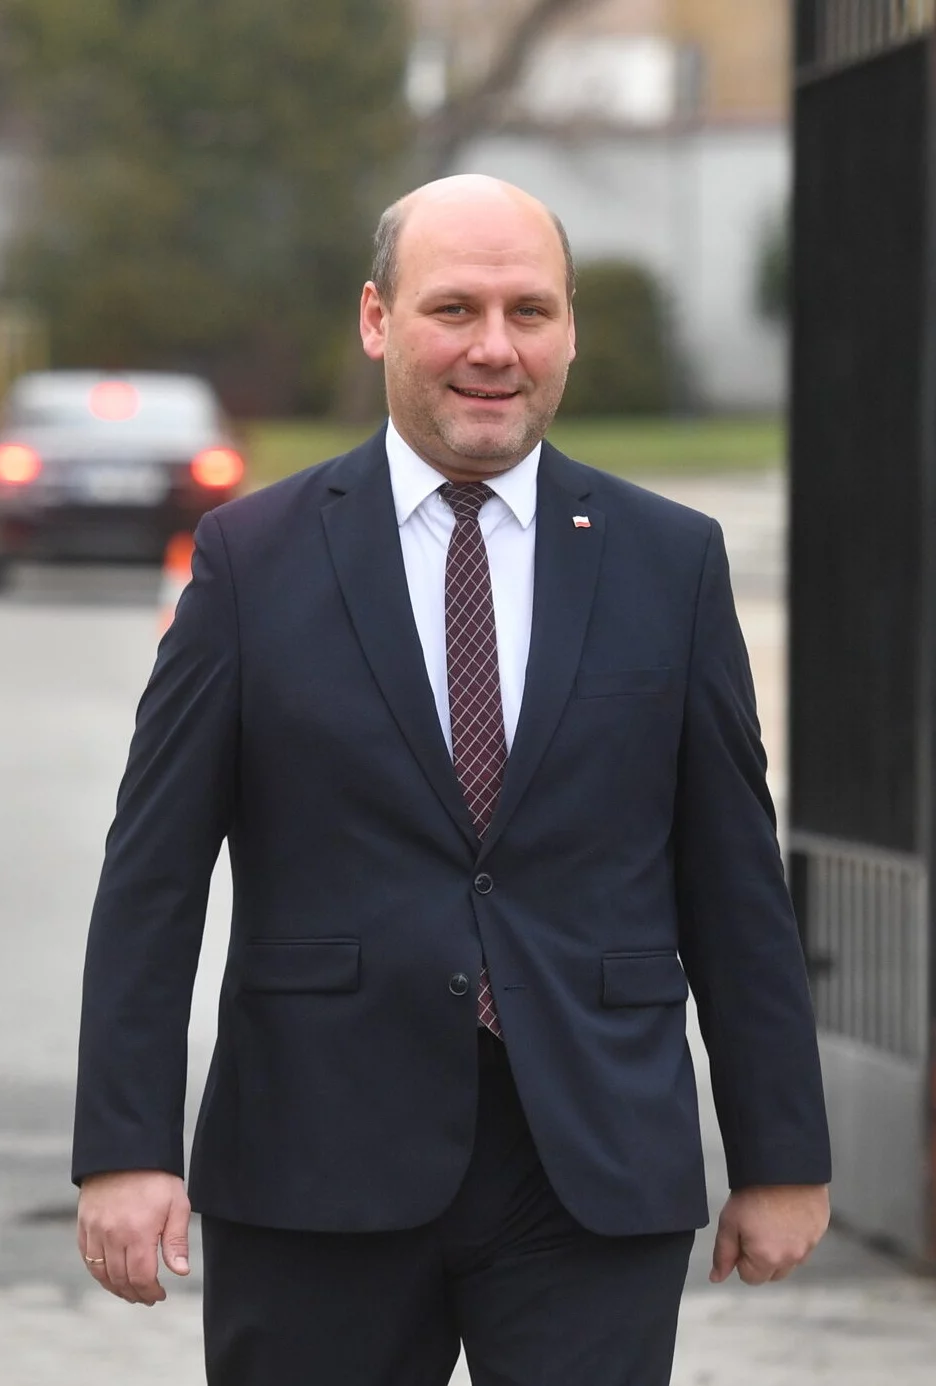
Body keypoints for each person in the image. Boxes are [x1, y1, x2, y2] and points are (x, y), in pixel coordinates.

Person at [71, 175, 831, 1384]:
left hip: (590, 1160)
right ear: (377, 320)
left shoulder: (670, 563)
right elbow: (152, 875)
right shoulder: (250, 562)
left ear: (570, 329)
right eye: (455, 309)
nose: (494, 348)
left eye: (530, 311)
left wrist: (781, 1150)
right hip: (316, 1157)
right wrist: (124, 1145)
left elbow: (733, 874)